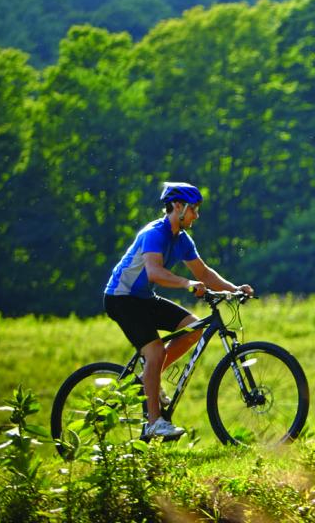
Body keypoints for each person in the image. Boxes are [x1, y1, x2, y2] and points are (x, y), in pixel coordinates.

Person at [103, 181, 253, 441]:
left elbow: (204, 273)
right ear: (177, 207)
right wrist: (187, 284)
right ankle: (154, 422)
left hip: (143, 298)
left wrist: (233, 289)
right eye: (193, 209)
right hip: (121, 298)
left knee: (192, 328)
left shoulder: (182, 239)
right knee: (156, 351)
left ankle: (148, 379)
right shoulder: (155, 233)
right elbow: (155, 272)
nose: (197, 215)